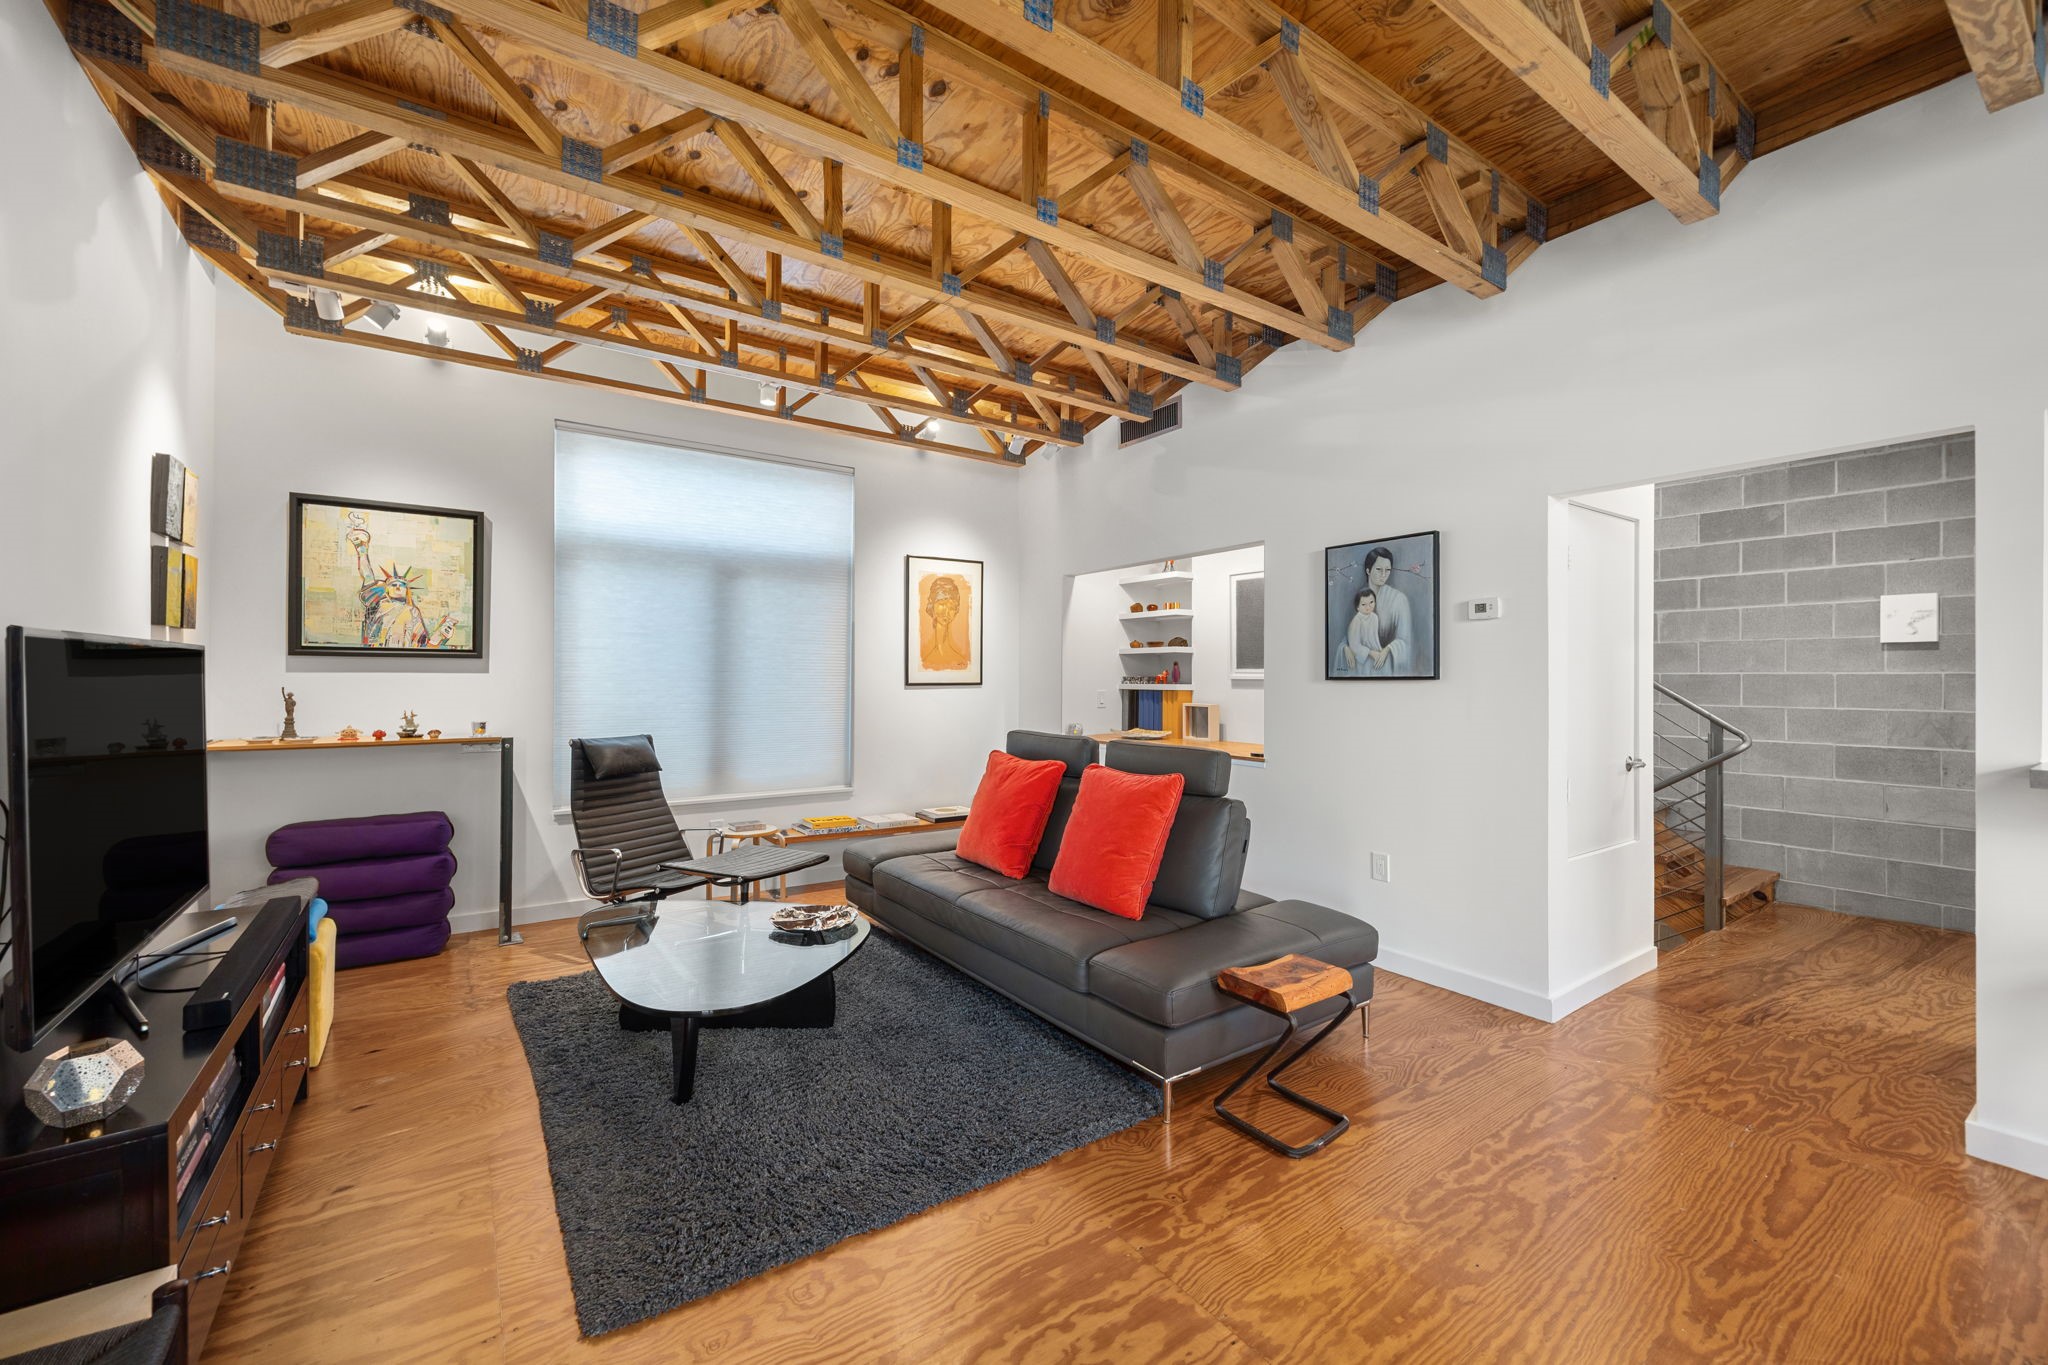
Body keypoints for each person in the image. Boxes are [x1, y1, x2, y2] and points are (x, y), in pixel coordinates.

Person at [920, 574, 971, 671]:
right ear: (932, 605)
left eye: (951, 607)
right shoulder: (924, 661)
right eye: (942, 604)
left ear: (956, 610)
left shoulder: (960, 660)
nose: (946, 612)